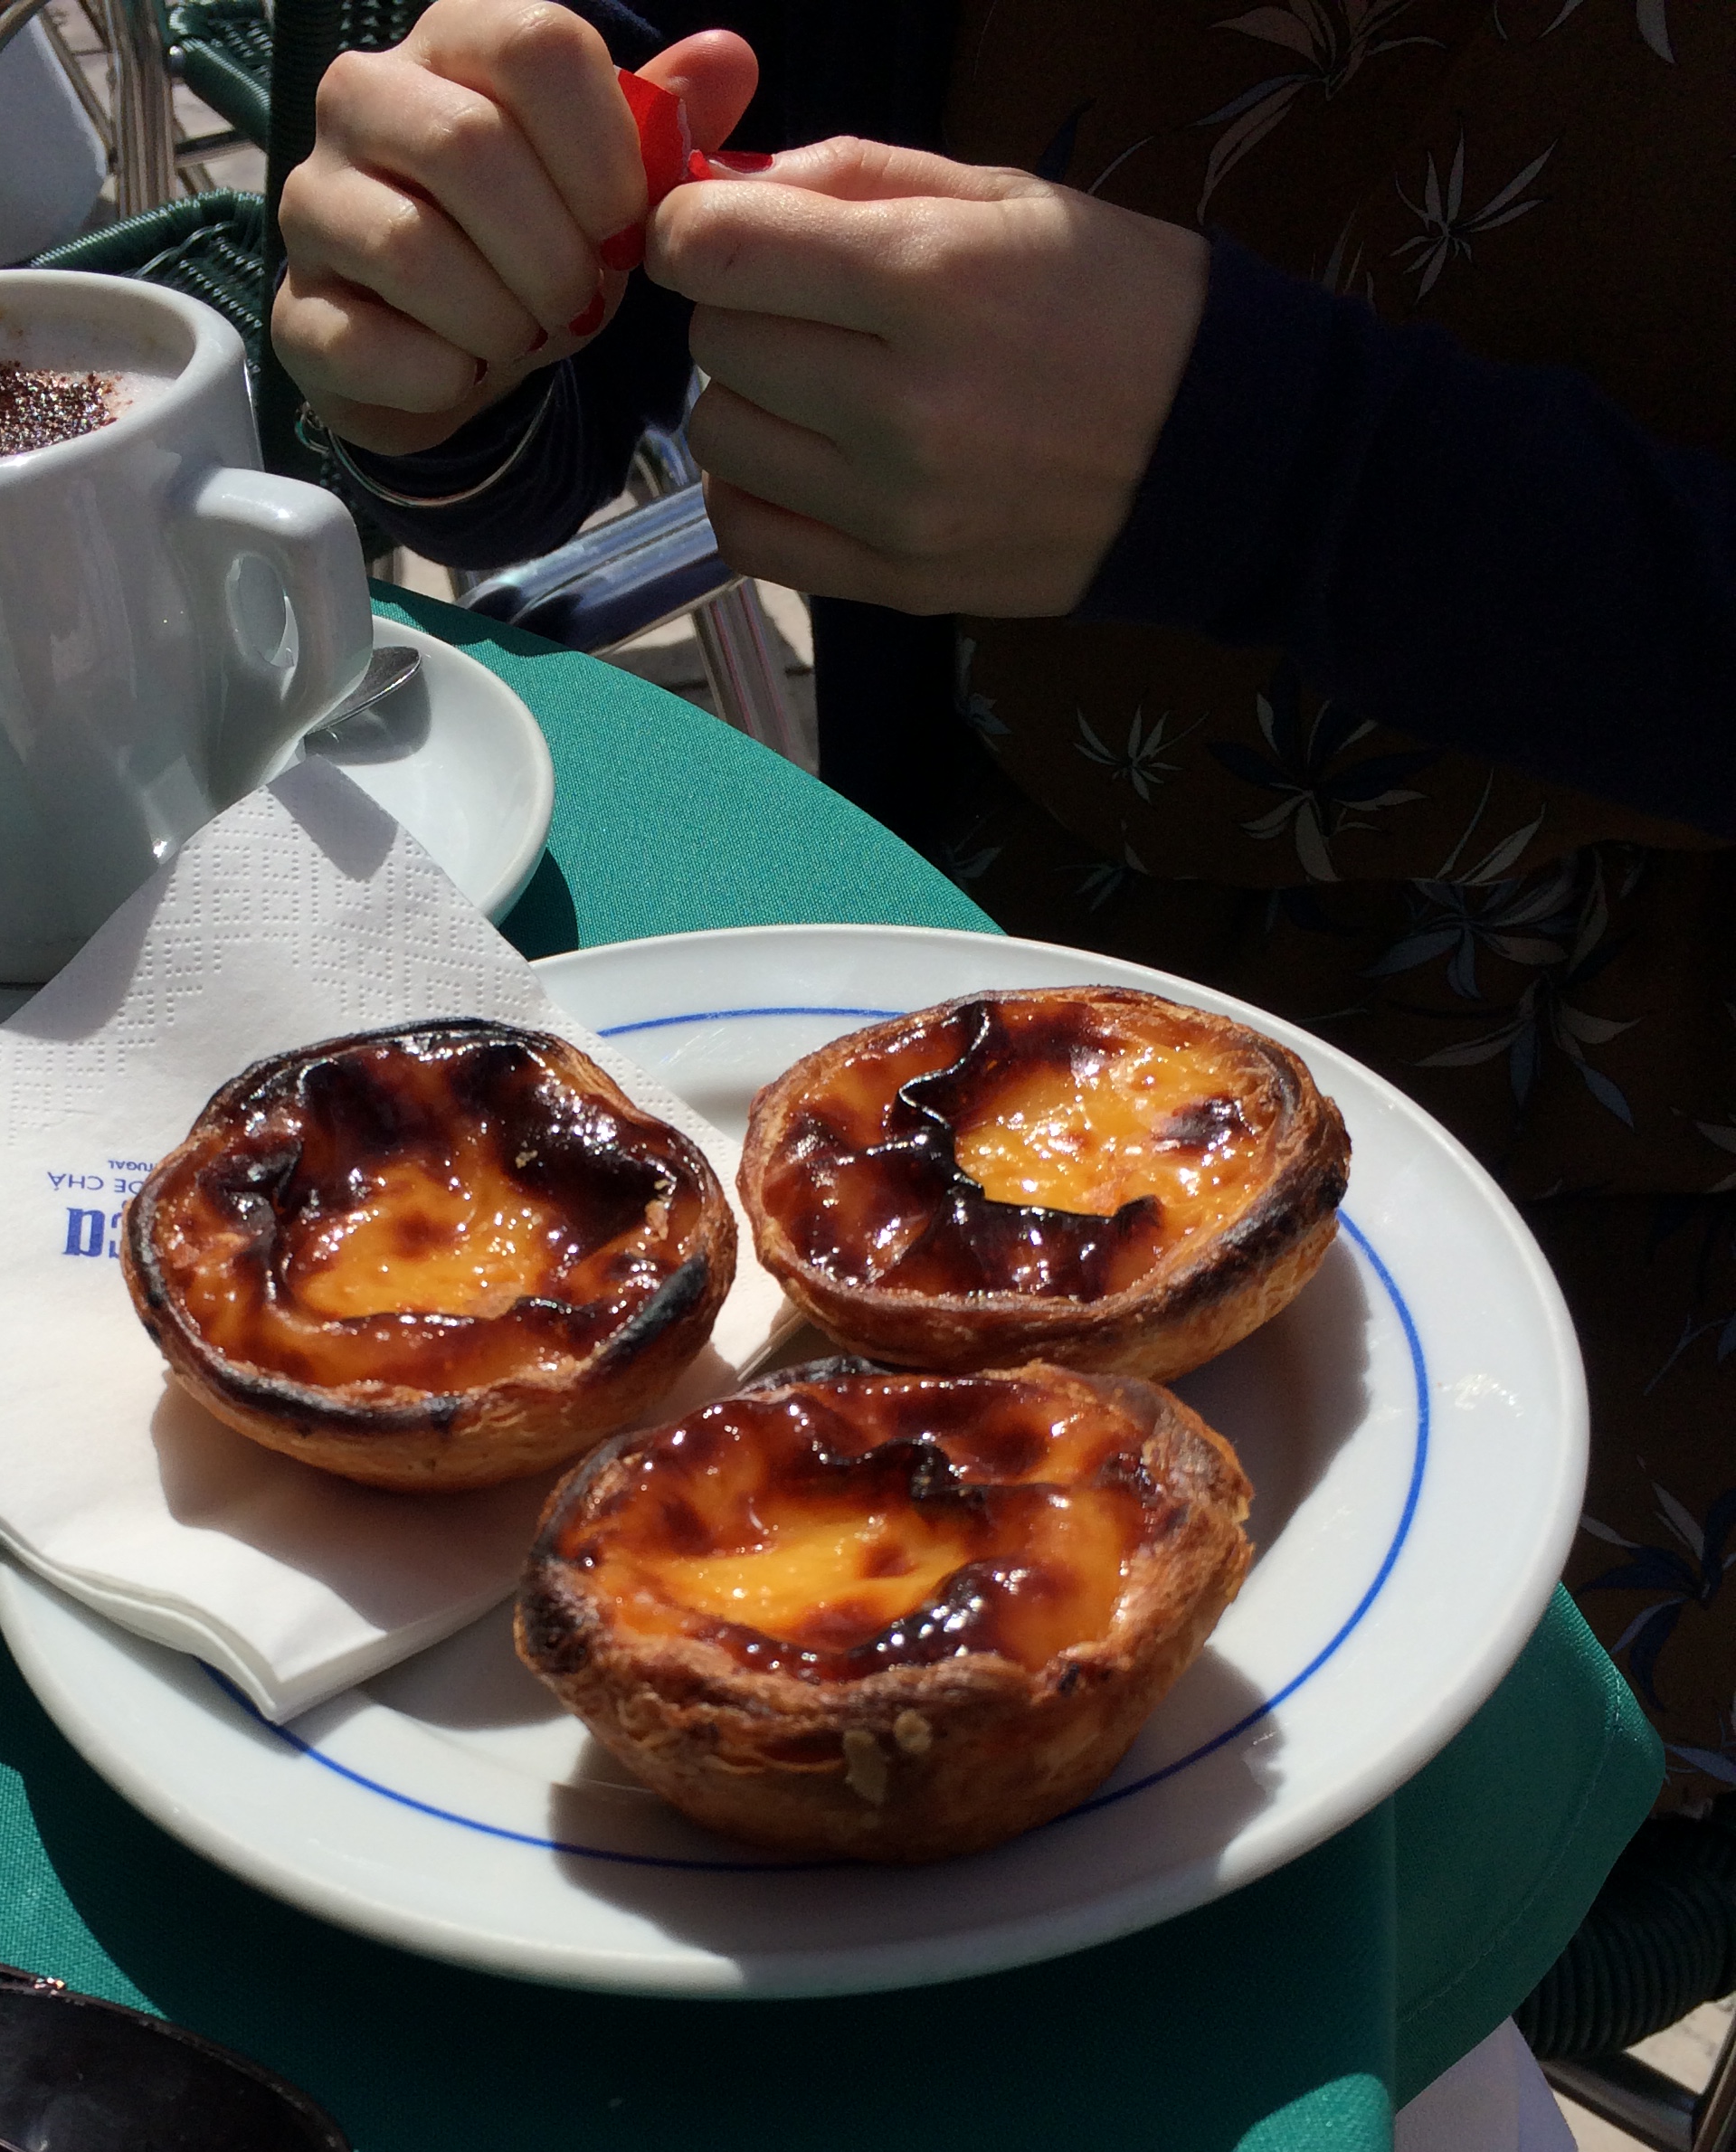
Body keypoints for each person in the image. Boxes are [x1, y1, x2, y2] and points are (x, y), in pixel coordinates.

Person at [270, 1, 1736, 1871]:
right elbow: (599, 324)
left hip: (1661, 1186)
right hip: (970, 940)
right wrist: (458, 285)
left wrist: (1287, 468)